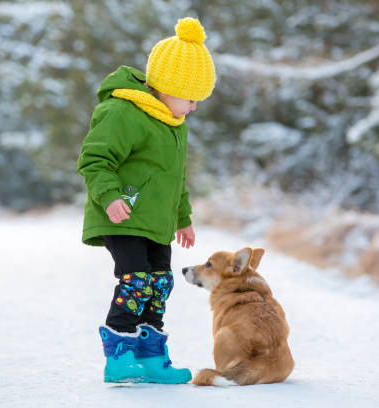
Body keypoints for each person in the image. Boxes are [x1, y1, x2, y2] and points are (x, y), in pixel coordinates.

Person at [77, 17, 215, 384]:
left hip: (156, 223)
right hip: (122, 216)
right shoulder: (123, 112)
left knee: (159, 284)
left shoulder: (173, 125)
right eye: (191, 99)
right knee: (136, 281)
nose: (194, 108)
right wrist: (108, 198)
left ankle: (152, 358)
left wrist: (182, 217)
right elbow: (94, 160)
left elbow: (175, 180)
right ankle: (118, 357)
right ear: (168, 88)